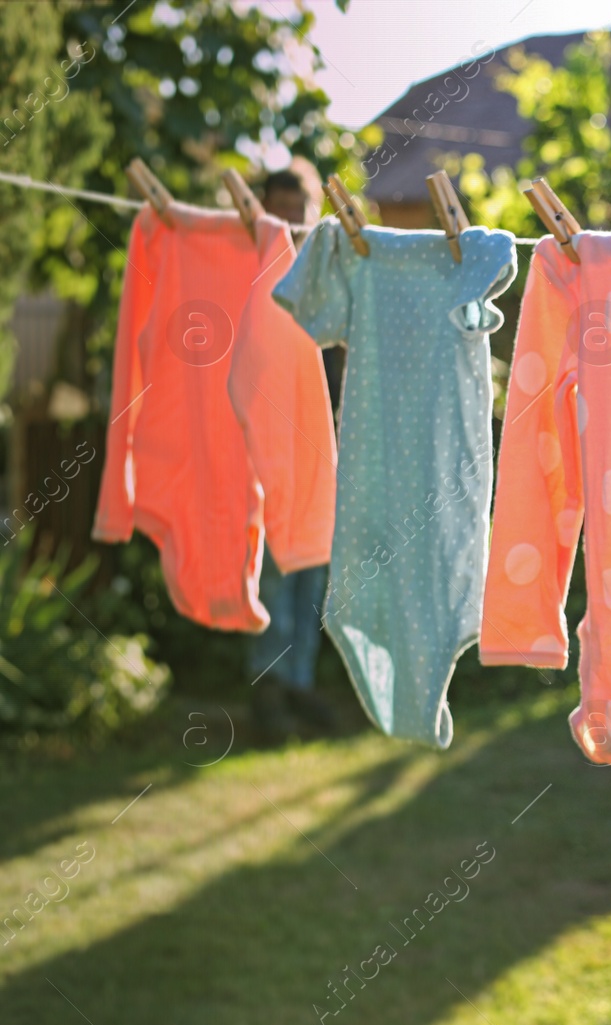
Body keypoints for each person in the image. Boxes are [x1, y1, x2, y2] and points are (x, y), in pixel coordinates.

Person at [250, 162, 344, 742]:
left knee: (313, 569)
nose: (289, 225)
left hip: (324, 443)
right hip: (268, 443)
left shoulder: (327, 271)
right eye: (278, 213)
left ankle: (300, 684)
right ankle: (267, 689)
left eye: (298, 214)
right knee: (272, 569)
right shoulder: (253, 273)